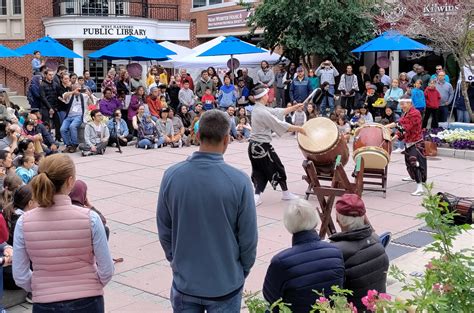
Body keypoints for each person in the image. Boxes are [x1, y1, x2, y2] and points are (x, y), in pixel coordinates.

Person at [157, 110, 258, 313]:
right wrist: (239, 271)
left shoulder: (172, 176)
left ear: (197, 135)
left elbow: (164, 229)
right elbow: (248, 239)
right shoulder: (239, 181)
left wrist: (176, 261)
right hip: (225, 284)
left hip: (185, 283)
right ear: (227, 139)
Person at [12, 154, 114, 311]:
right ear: (70, 181)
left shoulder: (23, 222)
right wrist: (90, 284)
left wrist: (42, 286)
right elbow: (106, 269)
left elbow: (20, 275)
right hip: (88, 300)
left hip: (45, 302)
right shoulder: (90, 219)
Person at [263, 199, 344, 313]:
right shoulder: (336, 252)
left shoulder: (281, 262)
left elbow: (270, 299)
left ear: (288, 224)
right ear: (315, 219)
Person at [249, 85, 307, 206]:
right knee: (277, 167)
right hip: (262, 147)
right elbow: (279, 124)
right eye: (266, 94)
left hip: (254, 147)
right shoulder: (262, 113)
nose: (268, 95)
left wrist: (294, 108)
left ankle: (257, 196)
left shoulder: (259, 108)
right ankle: (283, 193)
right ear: (263, 97)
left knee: (259, 170)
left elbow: (276, 112)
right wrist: (299, 129)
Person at [329, 194, 389, 311]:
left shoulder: (335, 251)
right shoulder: (375, 239)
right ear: (363, 217)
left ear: (338, 220)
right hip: (377, 308)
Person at [385, 97, 426, 196]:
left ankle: (420, 187)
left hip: (416, 142)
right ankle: (412, 177)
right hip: (409, 141)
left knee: (415, 163)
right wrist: (393, 139)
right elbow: (402, 129)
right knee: (408, 162)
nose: (402, 106)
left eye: (404, 104)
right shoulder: (406, 113)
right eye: (401, 104)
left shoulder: (415, 113)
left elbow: (403, 127)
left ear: (410, 104)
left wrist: (387, 126)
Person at [61, 84, 90, 153]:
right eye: (77, 89)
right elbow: (64, 96)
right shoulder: (69, 94)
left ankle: (74, 144)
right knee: (62, 129)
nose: (78, 90)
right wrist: (73, 92)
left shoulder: (84, 96)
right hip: (69, 116)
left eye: (79, 89)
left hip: (78, 116)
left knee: (72, 126)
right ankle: (68, 145)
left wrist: (90, 95)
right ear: (73, 89)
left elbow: (93, 102)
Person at [39, 69, 58, 135]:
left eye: (52, 75)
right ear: (45, 75)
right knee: (46, 124)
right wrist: (50, 108)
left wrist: (55, 107)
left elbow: (57, 95)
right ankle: (47, 137)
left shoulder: (55, 84)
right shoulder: (42, 85)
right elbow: (43, 98)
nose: (51, 76)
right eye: (49, 75)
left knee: (57, 123)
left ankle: (58, 138)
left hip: (54, 106)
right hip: (45, 107)